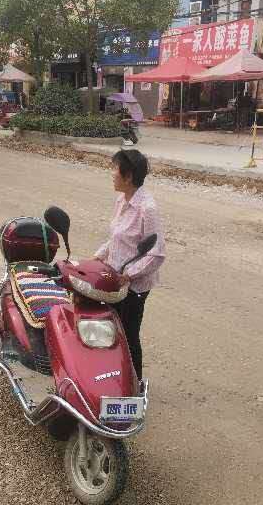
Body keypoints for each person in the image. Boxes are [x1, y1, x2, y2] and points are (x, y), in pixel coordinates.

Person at [93, 150, 165, 381]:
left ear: (129, 175)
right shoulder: (122, 199)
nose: (111, 173)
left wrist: (130, 274)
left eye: (115, 169)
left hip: (134, 286)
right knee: (110, 329)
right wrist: (99, 256)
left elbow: (157, 253)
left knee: (128, 334)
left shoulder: (147, 208)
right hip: (114, 278)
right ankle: (112, 378)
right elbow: (117, 238)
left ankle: (134, 384)